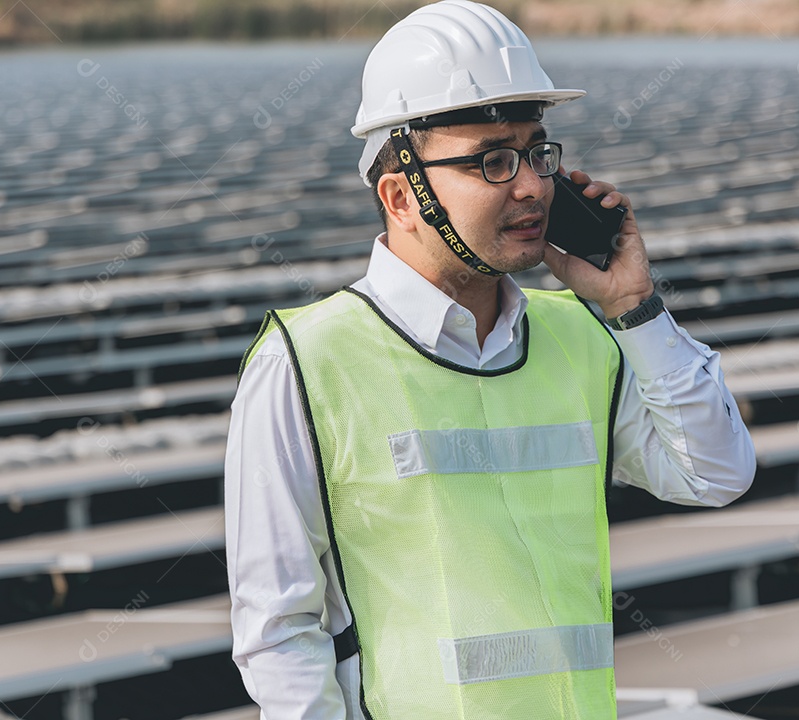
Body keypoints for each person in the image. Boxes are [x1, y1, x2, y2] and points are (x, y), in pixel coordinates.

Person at [224, 1, 756, 717]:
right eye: (492, 161)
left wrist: (636, 308)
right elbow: (278, 635)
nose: (533, 184)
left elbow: (716, 474)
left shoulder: (584, 337)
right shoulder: (306, 363)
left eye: (538, 152)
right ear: (400, 196)